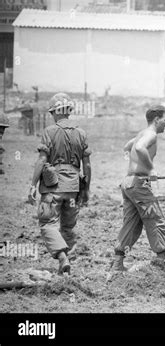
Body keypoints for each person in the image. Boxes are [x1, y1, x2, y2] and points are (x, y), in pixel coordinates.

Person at [111, 106, 165, 272]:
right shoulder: (150, 134)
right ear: (157, 119)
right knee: (155, 218)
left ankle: (118, 262)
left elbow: (128, 146)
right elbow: (138, 148)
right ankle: (163, 259)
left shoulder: (141, 133)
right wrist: (150, 169)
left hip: (128, 183)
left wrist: (131, 161)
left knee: (132, 223)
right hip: (138, 185)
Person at [27, 93, 92, 274]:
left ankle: (62, 258)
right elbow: (87, 165)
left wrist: (32, 185)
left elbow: (41, 160)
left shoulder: (49, 132)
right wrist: (86, 189)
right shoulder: (81, 133)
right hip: (73, 188)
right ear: (68, 110)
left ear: (55, 112)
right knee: (68, 227)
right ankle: (65, 266)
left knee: (47, 223)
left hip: (53, 188)